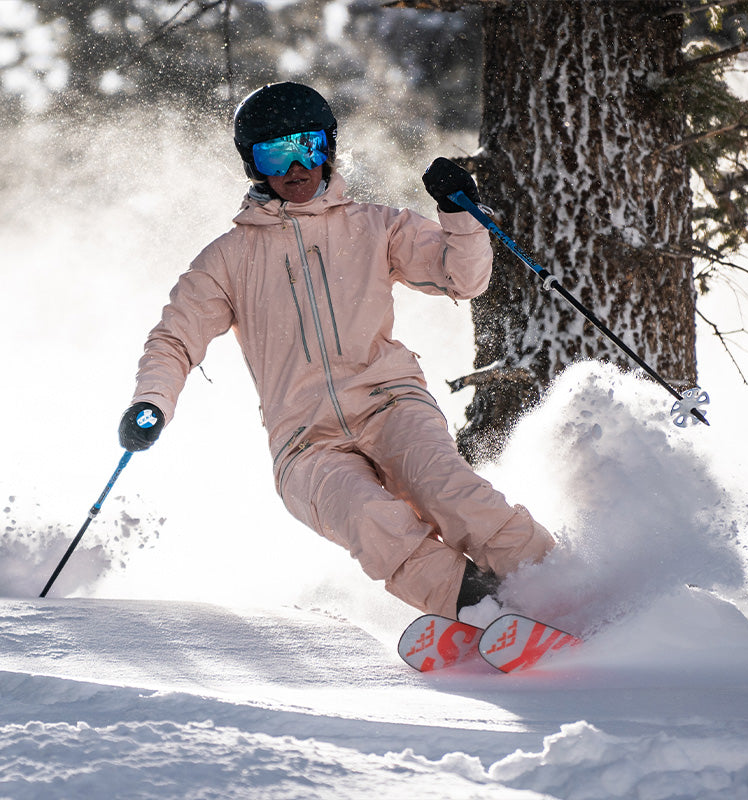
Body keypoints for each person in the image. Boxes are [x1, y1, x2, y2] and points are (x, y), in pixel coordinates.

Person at [118, 82, 555, 620]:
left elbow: (461, 279)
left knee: (451, 490)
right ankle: (480, 610)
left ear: (328, 147)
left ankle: (558, 584)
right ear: (253, 165)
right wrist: (153, 401)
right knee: (374, 523)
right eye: (275, 153)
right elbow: (174, 339)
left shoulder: (376, 226)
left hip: (391, 402)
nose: (296, 166)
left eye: (309, 146)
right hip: (305, 441)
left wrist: (458, 215)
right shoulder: (226, 260)